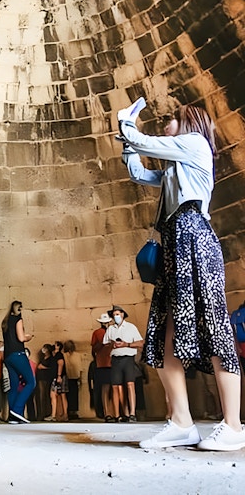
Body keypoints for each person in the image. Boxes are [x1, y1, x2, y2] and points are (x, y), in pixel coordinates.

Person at [118, 101, 245, 450]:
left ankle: (233, 425)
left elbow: (145, 142)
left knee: (215, 328)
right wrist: (129, 141)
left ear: (188, 122)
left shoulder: (195, 144)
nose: (166, 124)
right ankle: (181, 422)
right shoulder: (176, 167)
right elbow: (138, 173)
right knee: (165, 333)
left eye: (170, 120)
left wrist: (127, 125)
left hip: (195, 238)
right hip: (175, 244)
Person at [103, 306, 144, 423]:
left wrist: (127, 344)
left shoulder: (131, 327)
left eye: (118, 314)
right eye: (114, 315)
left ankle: (132, 413)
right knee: (115, 386)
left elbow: (141, 343)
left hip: (128, 358)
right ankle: (118, 414)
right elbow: (105, 344)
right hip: (116, 359)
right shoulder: (110, 329)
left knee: (130, 385)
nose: (116, 317)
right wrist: (112, 344)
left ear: (122, 315)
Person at [1, 300, 35, 424]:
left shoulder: (5, 322)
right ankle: (17, 409)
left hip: (8, 356)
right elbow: (21, 338)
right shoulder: (17, 320)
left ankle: (13, 417)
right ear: (19, 309)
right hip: (18, 354)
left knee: (13, 386)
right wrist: (28, 337)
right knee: (31, 382)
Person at [91, 313, 113, 421]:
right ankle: (107, 412)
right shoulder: (97, 333)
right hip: (103, 363)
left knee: (114, 388)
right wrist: (103, 343)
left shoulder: (113, 331)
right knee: (105, 388)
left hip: (113, 361)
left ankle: (115, 412)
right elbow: (94, 349)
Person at [44, 341, 68, 422]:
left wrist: (59, 376)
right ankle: (57, 415)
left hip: (58, 377)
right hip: (58, 376)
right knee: (59, 395)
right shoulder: (55, 355)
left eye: (55, 344)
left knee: (56, 394)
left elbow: (60, 364)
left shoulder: (59, 355)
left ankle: (58, 415)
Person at [63, 340, 82, 420]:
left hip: (73, 377)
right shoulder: (64, 355)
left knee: (73, 395)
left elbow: (80, 367)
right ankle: (70, 411)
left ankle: (73, 411)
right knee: (70, 395)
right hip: (69, 377)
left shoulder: (76, 355)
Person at [35, 343, 54, 420]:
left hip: (46, 379)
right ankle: (40, 414)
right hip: (40, 378)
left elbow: (52, 368)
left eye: (45, 348)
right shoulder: (43, 358)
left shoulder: (51, 359)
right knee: (40, 396)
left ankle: (47, 413)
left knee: (46, 396)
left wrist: (43, 367)